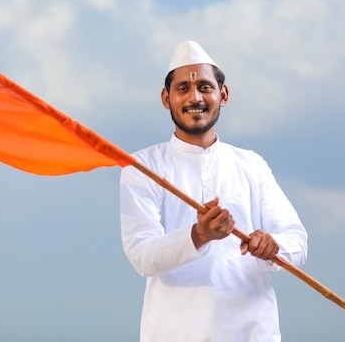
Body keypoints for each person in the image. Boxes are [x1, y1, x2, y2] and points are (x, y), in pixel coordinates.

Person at [119, 40, 308, 342]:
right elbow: (142, 255)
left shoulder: (251, 164)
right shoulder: (142, 166)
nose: (195, 97)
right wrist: (199, 235)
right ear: (166, 98)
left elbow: (296, 241)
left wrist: (273, 247)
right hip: (173, 333)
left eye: (205, 87)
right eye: (183, 89)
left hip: (253, 333)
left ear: (224, 94)